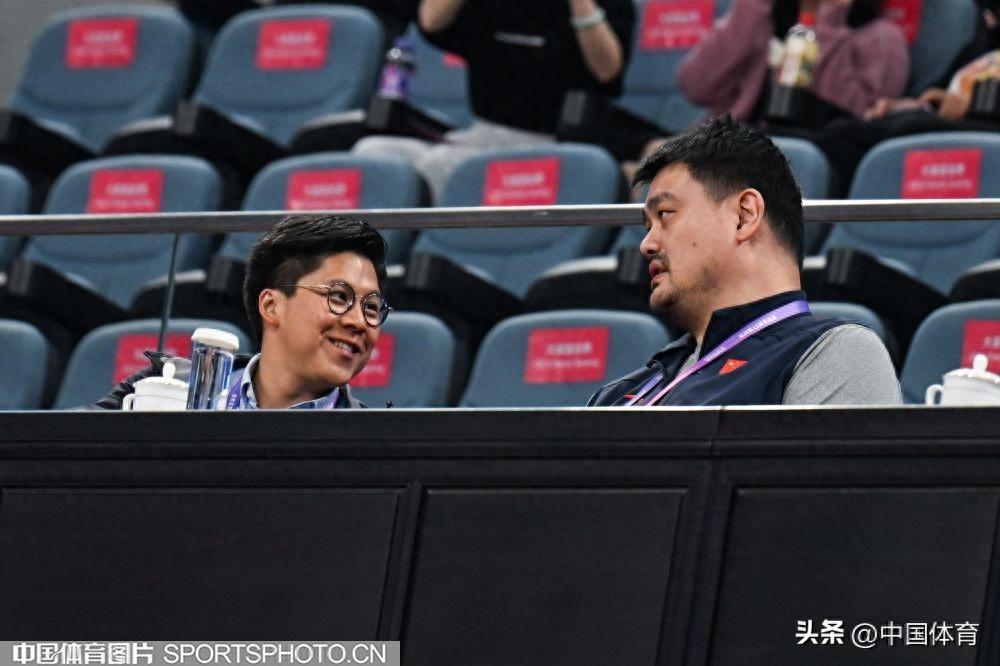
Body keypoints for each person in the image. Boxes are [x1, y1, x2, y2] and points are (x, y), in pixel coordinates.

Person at [589, 115, 901, 407]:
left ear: (744, 216)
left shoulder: (835, 354)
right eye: (647, 226)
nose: (646, 244)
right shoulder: (615, 395)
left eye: (665, 214)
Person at [97, 214, 391, 410]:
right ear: (271, 306)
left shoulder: (376, 441)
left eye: (371, 307)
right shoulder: (170, 386)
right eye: (339, 297)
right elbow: (73, 454)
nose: (358, 322)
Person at [353, 0, 634, 197]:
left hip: (557, 140)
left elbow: (607, 71)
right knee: (373, 153)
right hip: (482, 133)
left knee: (440, 166)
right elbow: (431, 21)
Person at [815, 0, 1000, 192]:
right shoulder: (980, 46)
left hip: (980, 127)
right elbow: (936, 96)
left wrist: (972, 106)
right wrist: (910, 105)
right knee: (841, 130)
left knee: (850, 137)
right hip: (943, 122)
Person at [676, 0, 908, 124]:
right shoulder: (760, 24)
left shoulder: (881, 38)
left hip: (806, 162)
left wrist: (828, 24)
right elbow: (696, 86)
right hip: (730, 153)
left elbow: (856, 119)